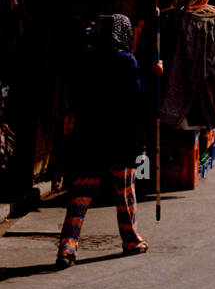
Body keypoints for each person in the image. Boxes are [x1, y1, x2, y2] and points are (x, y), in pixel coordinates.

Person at [56, 14, 152, 269]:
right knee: (124, 193)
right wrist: (155, 75)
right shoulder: (127, 62)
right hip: (121, 138)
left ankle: (67, 246)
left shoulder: (86, 60)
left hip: (88, 138)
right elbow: (140, 98)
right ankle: (131, 240)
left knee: (80, 196)